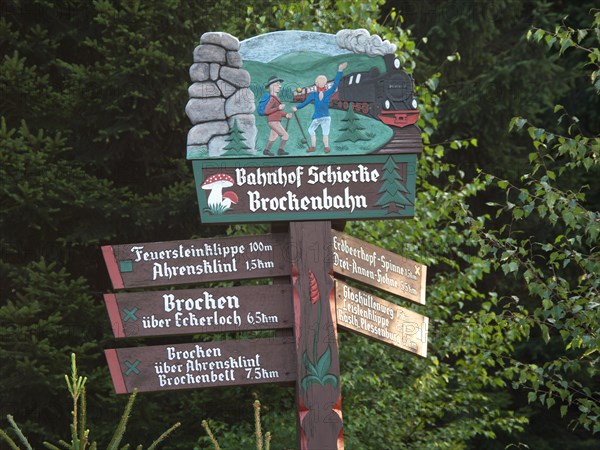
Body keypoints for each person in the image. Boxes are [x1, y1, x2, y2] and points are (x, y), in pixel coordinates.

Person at [292, 62, 348, 153]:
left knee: (317, 131)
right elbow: (305, 102)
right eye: (321, 81)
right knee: (319, 132)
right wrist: (297, 107)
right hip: (321, 117)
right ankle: (320, 147)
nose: (322, 83)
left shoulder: (320, 93)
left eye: (323, 81)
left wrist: (340, 70)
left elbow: (335, 84)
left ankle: (320, 147)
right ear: (317, 83)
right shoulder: (319, 94)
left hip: (322, 117)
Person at [263, 76, 292, 156]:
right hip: (274, 121)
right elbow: (266, 111)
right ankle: (280, 150)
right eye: (277, 84)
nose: (280, 86)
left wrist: (286, 114)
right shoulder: (272, 99)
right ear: (271, 86)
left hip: (274, 120)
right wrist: (278, 107)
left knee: (273, 137)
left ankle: (266, 150)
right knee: (285, 135)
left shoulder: (275, 98)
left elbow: (277, 112)